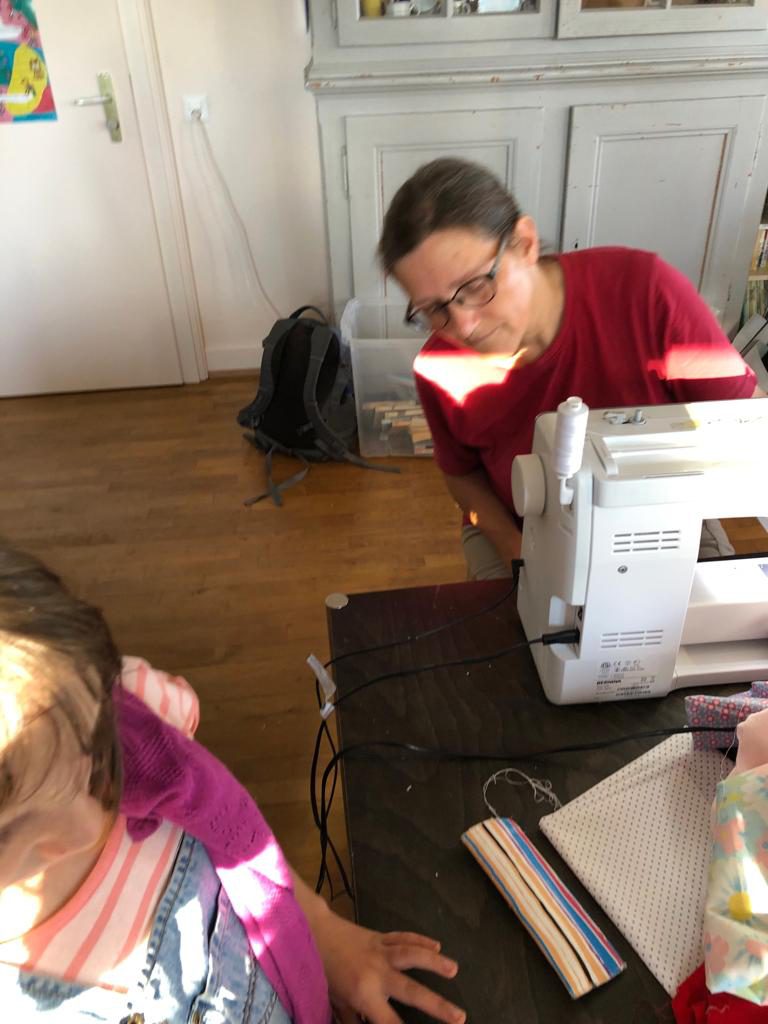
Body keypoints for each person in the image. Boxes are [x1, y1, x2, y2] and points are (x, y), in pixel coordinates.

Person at [0, 541, 466, 1024]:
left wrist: (322, 931)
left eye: (93, 758)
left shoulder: (132, 704)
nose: (89, 824)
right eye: (6, 834)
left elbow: (234, 833)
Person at [378, 158, 765, 580]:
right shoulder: (439, 368)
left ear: (524, 243)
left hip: (662, 512)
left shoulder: (644, 293)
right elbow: (462, 476)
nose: (463, 326)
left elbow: (749, 425)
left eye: (474, 286)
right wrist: (518, 555)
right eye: (433, 309)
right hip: (513, 524)